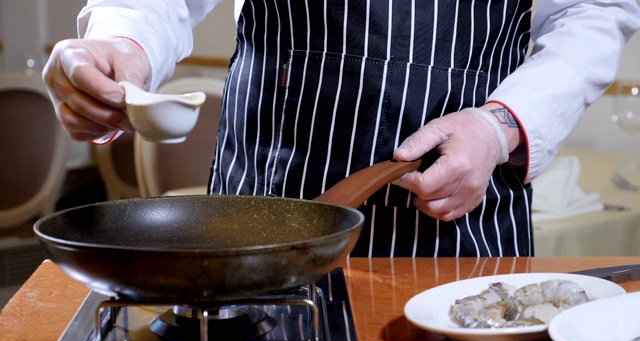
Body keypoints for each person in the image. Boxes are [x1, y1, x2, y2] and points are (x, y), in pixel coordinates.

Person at [43, 0, 640, 257]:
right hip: (264, 195)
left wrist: (502, 125)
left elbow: (595, 9)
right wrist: (120, 44)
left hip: (457, 215)